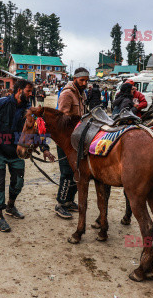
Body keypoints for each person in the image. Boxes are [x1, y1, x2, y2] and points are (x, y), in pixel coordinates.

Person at [0, 80, 54, 232]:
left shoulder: (29, 111)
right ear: (19, 90)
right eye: (29, 91)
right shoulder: (0, 104)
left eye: (32, 91)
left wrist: (45, 148)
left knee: (18, 182)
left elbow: (38, 130)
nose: (31, 94)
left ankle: (10, 206)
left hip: (17, 152)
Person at [55, 67, 88, 219]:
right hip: (65, 140)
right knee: (67, 172)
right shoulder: (67, 94)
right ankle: (60, 203)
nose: (84, 83)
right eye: (82, 80)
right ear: (75, 79)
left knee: (77, 170)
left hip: (77, 138)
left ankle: (69, 201)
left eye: (86, 80)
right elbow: (61, 118)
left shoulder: (81, 94)